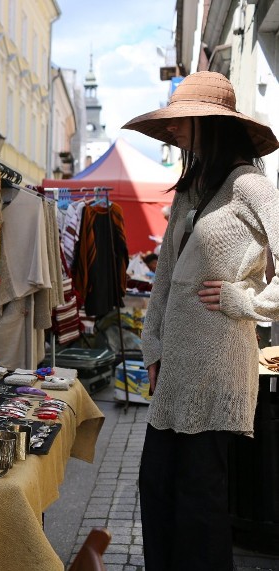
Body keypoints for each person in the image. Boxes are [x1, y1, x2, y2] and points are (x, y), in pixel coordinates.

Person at [122, 71, 279, 570]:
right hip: (175, 364)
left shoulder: (251, 186)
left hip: (219, 359)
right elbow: (165, 276)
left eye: (183, 121)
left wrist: (246, 299)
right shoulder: (190, 190)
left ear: (212, 124)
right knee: (157, 484)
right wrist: (153, 349)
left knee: (200, 498)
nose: (176, 131)